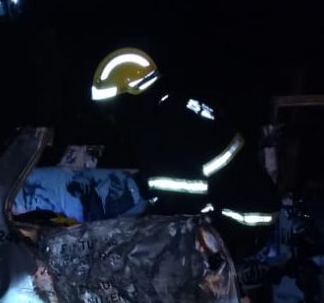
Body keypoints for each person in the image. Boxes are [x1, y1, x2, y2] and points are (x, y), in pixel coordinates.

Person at [89, 46, 279, 226]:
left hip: (240, 221)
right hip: (249, 208)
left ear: (131, 99)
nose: (112, 119)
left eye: (113, 109)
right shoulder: (176, 108)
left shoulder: (166, 129)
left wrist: (138, 227)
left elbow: (179, 206)